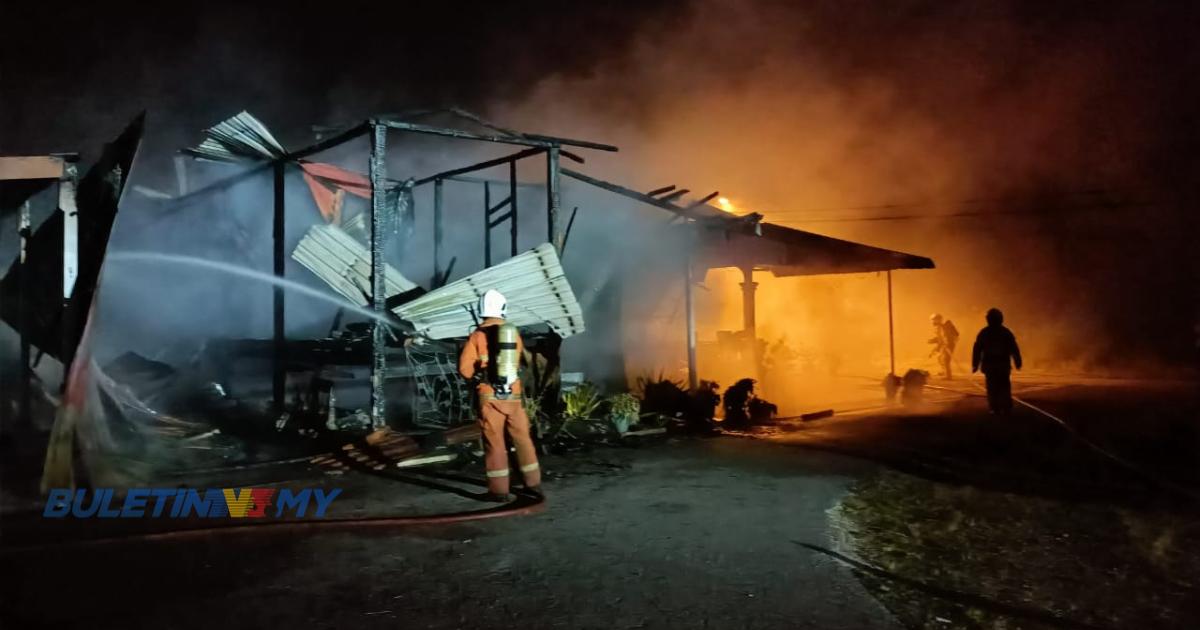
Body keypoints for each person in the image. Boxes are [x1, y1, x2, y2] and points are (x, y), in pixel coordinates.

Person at [458, 289, 542, 501]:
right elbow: (520, 361)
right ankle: (533, 485)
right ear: (503, 308)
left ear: (481, 310)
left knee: (495, 443)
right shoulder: (512, 334)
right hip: (513, 396)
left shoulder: (477, 336)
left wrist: (478, 375)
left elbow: (465, 370)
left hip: (490, 398)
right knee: (522, 439)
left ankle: (499, 491)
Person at [971, 308, 1022, 414]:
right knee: (1004, 385)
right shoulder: (1005, 332)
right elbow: (1014, 348)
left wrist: (975, 364)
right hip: (1001, 364)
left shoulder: (984, 332)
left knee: (992, 386)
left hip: (991, 365)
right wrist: (1017, 361)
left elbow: (977, 349)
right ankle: (1005, 407)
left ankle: (995, 407)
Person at [928, 313, 960, 379]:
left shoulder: (942, 327)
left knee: (946, 360)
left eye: (934, 320)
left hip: (948, 345)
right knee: (940, 358)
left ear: (939, 320)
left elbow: (943, 338)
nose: (932, 321)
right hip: (945, 345)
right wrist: (933, 341)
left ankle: (948, 376)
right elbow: (941, 338)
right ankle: (944, 371)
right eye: (932, 320)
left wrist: (936, 345)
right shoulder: (939, 327)